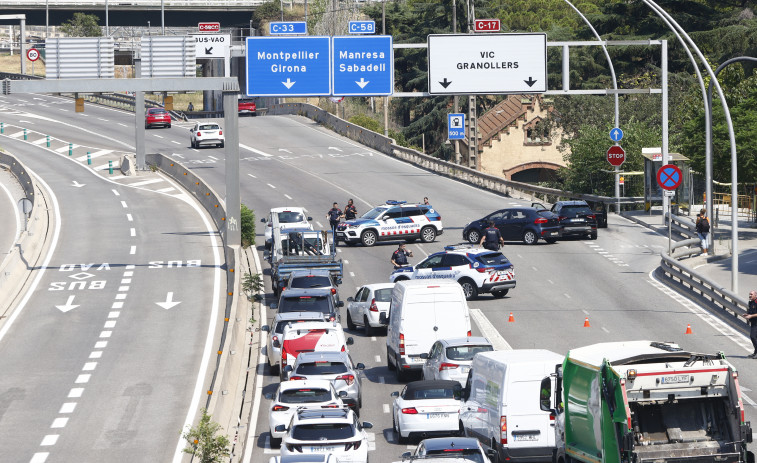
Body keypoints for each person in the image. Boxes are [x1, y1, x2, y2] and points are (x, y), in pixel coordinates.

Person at [747, 291, 757, 358]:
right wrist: (747, 315)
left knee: (753, 336)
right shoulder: (750, 302)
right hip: (753, 323)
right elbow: (751, 311)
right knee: (754, 337)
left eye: (751, 294)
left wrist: (751, 316)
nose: (750, 295)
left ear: (755, 295)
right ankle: (755, 353)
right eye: (749, 294)